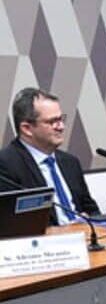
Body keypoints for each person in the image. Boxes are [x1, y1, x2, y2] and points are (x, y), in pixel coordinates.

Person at [0, 87, 100, 225]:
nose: (61, 127)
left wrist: (90, 220)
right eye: (52, 122)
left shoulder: (70, 162)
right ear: (27, 128)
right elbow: (13, 225)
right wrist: (67, 230)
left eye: (61, 119)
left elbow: (92, 209)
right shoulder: (6, 165)